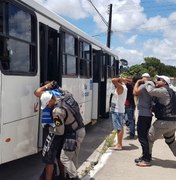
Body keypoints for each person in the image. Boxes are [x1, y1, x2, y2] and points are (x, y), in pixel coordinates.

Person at [40, 91, 86, 180]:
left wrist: (51, 128)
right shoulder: (64, 98)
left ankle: (74, 177)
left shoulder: (57, 112)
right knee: (72, 158)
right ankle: (71, 176)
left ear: (50, 101)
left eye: (47, 105)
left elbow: (60, 131)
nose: (48, 107)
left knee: (64, 158)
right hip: (80, 129)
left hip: (73, 134)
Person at [34, 81, 65, 180]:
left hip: (51, 129)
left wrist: (47, 86)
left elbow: (37, 92)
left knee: (48, 158)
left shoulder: (48, 94)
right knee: (59, 155)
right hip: (59, 129)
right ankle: (62, 176)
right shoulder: (60, 94)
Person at [145, 75, 176, 164]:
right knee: (171, 141)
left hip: (164, 122)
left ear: (164, 82)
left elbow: (150, 91)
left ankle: (146, 159)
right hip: (173, 122)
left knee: (149, 138)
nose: (157, 81)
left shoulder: (163, 91)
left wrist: (149, 81)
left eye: (159, 80)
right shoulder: (171, 91)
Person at [133, 73, 153, 167]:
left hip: (143, 115)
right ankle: (145, 155)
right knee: (145, 137)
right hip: (148, 114)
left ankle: (146, 159)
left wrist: (137, 82)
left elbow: (135, 92)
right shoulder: (151, 85)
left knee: (142, 137)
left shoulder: (144, 86)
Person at [111, 77, 127, 150]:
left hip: (117, 110)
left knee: (119, 128)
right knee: (120, 127)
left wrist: (119, 79)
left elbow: (113, 80)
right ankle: (118, 143)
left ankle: (119, 145)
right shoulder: (124, 87)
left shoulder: (121, 87)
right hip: (120, 109)